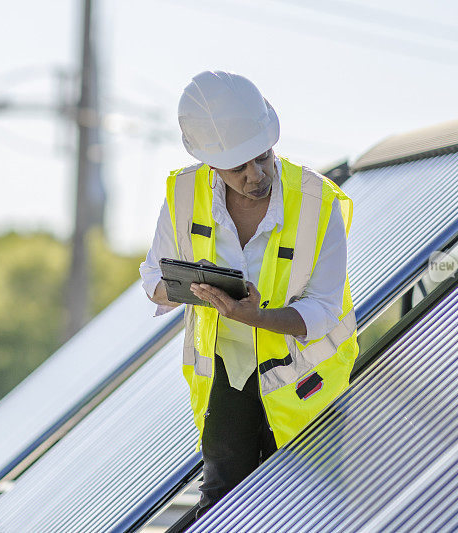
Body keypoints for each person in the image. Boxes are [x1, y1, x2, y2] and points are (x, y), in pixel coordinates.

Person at [139, 70, 358, 518]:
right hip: (228, 376)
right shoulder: (184, 194)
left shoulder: (318, 203)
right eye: (238, 167)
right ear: (210, 162)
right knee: (221, 508)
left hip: (305, 388)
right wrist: (193, 288)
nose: (255, 175)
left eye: (262, 157)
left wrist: (254, 317)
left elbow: (323, 310)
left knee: (307, 513)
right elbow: (153, 281)